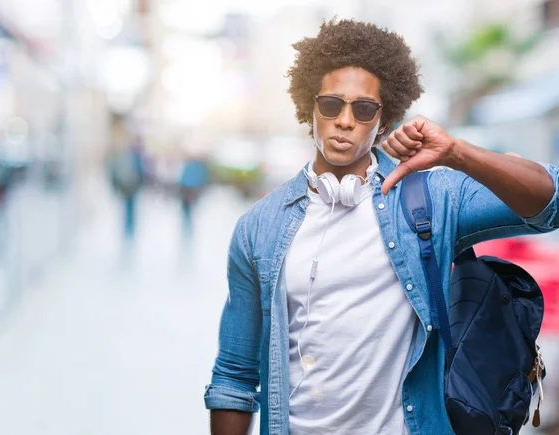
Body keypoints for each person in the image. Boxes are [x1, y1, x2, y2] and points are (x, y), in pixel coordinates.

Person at [204, 19, 559, 435]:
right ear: (310, 107)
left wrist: (456, 152)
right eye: (332, 104)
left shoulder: (431, 199)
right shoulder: (259, 228)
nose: (344, 120)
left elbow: (549, 202)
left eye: (363, 108)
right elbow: (234, 375)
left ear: (383, 118)